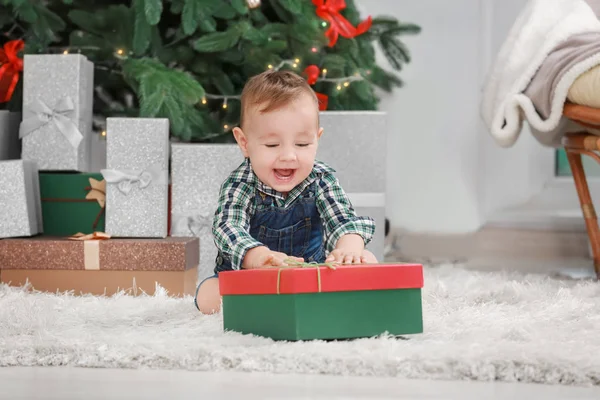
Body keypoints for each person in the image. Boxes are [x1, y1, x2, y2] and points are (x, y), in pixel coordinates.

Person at [195, 70, 377, 314]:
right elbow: (228, 228)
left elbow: (342, 220)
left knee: (368, 259)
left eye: (302, 144)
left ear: (317, 140)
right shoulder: (241, 184)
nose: (289, 156)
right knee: (208, 295)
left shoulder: (321, 178)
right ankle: (269, 305)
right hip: (253, 281)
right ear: (244, 143)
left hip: (311, 277)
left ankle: (313, 299)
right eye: (272, 145)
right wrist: (256, 255)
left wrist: (349, 247)